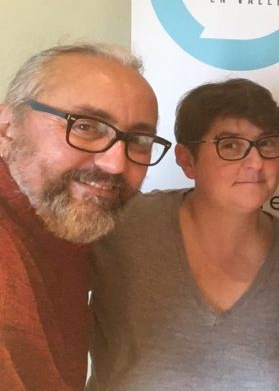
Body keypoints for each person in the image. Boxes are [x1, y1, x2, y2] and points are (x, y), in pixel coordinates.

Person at [88, 78, 279, 390]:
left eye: (266, 143)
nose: (256, 162)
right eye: (230, 145)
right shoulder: (124, 226)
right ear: (187, 160)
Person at [0, 44, 170, 390]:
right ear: (7, 129)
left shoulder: (63, 224)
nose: (116, 164)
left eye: (139, 140)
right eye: (86, 127)